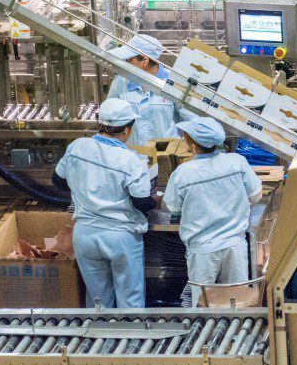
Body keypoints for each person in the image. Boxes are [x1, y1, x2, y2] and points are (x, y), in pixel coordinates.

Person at [53, 98, 157, 308]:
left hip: (85, 235)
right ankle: (130, 339)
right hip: (120, 237)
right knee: (130, 299)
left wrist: (84, 189)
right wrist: (155, 200)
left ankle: (101, 338)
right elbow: (141, 202)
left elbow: (57, 180)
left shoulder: (77, 147)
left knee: (98, 298)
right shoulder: (130, 160)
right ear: (127, 130)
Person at [164, 118, 262, 287]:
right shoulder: (237, 162)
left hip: (202, 250)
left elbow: (173, 208)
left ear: (193, 146)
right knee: (236, 301)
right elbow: (256, 195)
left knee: (202, 302)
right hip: (234, 245)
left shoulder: (183, 173)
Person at [107, 34, 194, 147]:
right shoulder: (121, 81)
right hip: (132, 157)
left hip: (165, 158)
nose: (127, 63)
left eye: (130, 59)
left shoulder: (173, 83)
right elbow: (108, 117)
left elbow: (192, 121)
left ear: (145, 60)